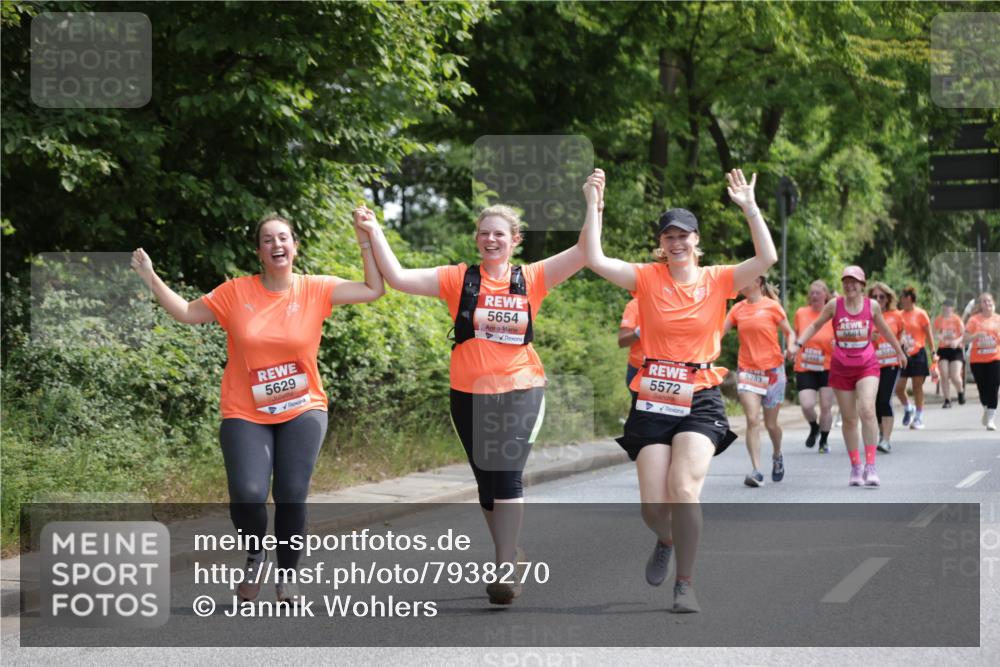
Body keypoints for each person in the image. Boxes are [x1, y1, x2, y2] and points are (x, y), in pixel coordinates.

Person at [354, 172, 601, 605]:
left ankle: (504, 568)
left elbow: (585, 251)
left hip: (522, 387)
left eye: (499, 234)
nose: (491, 240)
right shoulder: (458, 280)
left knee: (506, 475)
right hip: (468, 393)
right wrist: (374, 232)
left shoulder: (533, 278)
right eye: (484, 233)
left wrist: (592, 202)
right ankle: (511, 554)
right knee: (487, 485)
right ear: (476, 239)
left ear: (515, 240)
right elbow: (396, 277)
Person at [131, 212, 384, 602]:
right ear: (259, 252)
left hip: (303, 407)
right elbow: (185, 313)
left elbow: (372, 288)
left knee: (290, 492)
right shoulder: (235, 292)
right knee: (248, 492)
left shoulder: (315, 289)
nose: (276, 244)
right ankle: (255, 555)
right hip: (245, 410)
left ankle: (288, 573)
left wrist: (364, 238)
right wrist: (150, 276)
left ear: (295, 247)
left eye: (283, 238)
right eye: (268, 240)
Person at [584, 167, 776, 613]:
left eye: (683, 235)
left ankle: (685, 584)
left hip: (701, 393)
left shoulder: (719, 279)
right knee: (654, 504)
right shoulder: (647, 279)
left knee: (683, 488)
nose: (676, 243)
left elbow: (765, 258)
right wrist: (594, 206)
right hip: (653, 393)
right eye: (668, 236)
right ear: (661, 244)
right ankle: (665, 538)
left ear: (696, 240)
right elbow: (594, 258)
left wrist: (750, 208)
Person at [789, 267, 906, 487]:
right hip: (842, 366)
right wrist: (798, 344)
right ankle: (856, 467)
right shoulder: (835, 305)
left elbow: (885, 329)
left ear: (862, 284)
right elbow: (815, 324)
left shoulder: (871, 306)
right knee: (850, 418)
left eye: (854, 281)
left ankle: (871, 466)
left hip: (867, 365)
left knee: (867, 410)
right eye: (846, 281)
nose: (850, 285)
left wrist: (899, 351)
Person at [723, 275, 794, 487]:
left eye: (746, 277)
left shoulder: (772, 307)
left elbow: (789, 333)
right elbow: (718, 334)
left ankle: (777, 454)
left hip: (773, 371)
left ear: (758, 282)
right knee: (753, 420)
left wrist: (791, 347)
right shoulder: (737, 310)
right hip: (748, 371)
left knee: (771, 424)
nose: (740, 282)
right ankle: (756, 470)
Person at [792, 281, 836, 452]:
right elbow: (797, 335)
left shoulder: (832, 315)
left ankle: (824, 441)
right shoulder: (801, 313)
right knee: (807, 405)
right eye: (812, 293)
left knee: (825, 406)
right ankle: (814, 426)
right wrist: (793, 348)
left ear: (826, 295)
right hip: (805, 366)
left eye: (818, 292)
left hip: (827, 366)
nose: (814, 296)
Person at [867, 282, 904, 453]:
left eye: (882, 296)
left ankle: (886, 439)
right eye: (874, 296)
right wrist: (870, 337)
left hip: (890, 363)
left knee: (884, 400)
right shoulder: (866, 315)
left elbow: (900, 336)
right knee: (874, 403)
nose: (878, 299)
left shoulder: (896, 315)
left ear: (888, 298)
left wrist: (902, 347)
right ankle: (881, 434)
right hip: (871, 364)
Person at [896, 286, 936, 430]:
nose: (902, 300)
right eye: (901, 298)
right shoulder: (898, 314)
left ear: (910, 299)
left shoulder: (920, 314)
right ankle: (908, 407)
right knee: (898, 387)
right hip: (903, 354)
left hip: (918, 353)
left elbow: (929, 334)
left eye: (904, 298)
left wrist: (933, 352)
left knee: (917, 386)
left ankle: (918, 417)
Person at [964, 292, 1000, 431]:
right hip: (977, 360)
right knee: (982, 388)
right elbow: (965, 338)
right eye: (984, 301)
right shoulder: (974, 320)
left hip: (995, 358)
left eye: (989, 301)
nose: (988, 303)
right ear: (980, 305)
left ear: (993, 303)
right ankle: (986, 408)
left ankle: (991, 418)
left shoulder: (998, 319)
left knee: (994, 386)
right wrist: (975, 336)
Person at [934, 300, 966, 408]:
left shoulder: (957, 320)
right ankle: (947, 400)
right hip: (943, 349)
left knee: (955, 376)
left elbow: (964, 335)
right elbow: (934, 333)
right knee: (944, 375)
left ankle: (960, 391)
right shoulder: (939, 320)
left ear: (952, 309)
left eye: (948, 307)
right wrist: (939, 337)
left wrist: (957, 341)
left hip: (955, 349)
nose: (946, 309)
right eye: (944, 307)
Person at [619, 297, 643, 401]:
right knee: (643, 414)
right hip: (638, 369)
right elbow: (622, 342)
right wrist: (639, 332)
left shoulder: (681, 302)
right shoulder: (635, 305)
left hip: (673, 370)